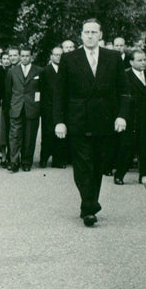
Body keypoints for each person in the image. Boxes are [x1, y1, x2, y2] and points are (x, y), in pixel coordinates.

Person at [55, 19, 129, 227]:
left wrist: (122, 116)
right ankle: (89, 207)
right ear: (81, 35)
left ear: (100, 35)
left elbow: (123, 91)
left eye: (93, 32)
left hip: (104, 121)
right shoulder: (70, 59)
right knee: (83, 164)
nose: (89, 35)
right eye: (86, 32)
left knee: (97, 165)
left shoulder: (113, 58)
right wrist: (59, 121)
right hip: (78, 120)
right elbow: (60, 94)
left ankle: (88, 201)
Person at [113, 49, 146, 185]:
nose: (143, 63)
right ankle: (119, 175)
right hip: (132, 118)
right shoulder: (125, 76)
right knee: (127, 148)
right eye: (139, 60)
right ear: (131, 62)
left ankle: (144, 175)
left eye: (144, 60)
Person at [6, 45, 41, 172]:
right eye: (23, 56)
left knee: (30, 136)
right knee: (14, 136)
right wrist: (11, 107)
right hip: (16, 107)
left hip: (32, 108)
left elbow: (42, 91)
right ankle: (14, 161)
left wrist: (38, 107)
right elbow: (8, 91)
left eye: (27, 56)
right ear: (20, 57)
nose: (25, 58)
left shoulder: (39, 71)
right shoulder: (12, 71)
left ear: (31, 57)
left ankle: (27, 162)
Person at [38, 46, 67, 168]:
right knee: (47, 133)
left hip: (62, 107)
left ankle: (58, 160)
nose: (58, 57)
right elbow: (41, 90)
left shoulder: (66, 70)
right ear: (51, 56)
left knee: (61, 134)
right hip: (48, 107)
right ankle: (44, 159)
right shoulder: (45, 71)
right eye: (56, 55)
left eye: (60, 55)